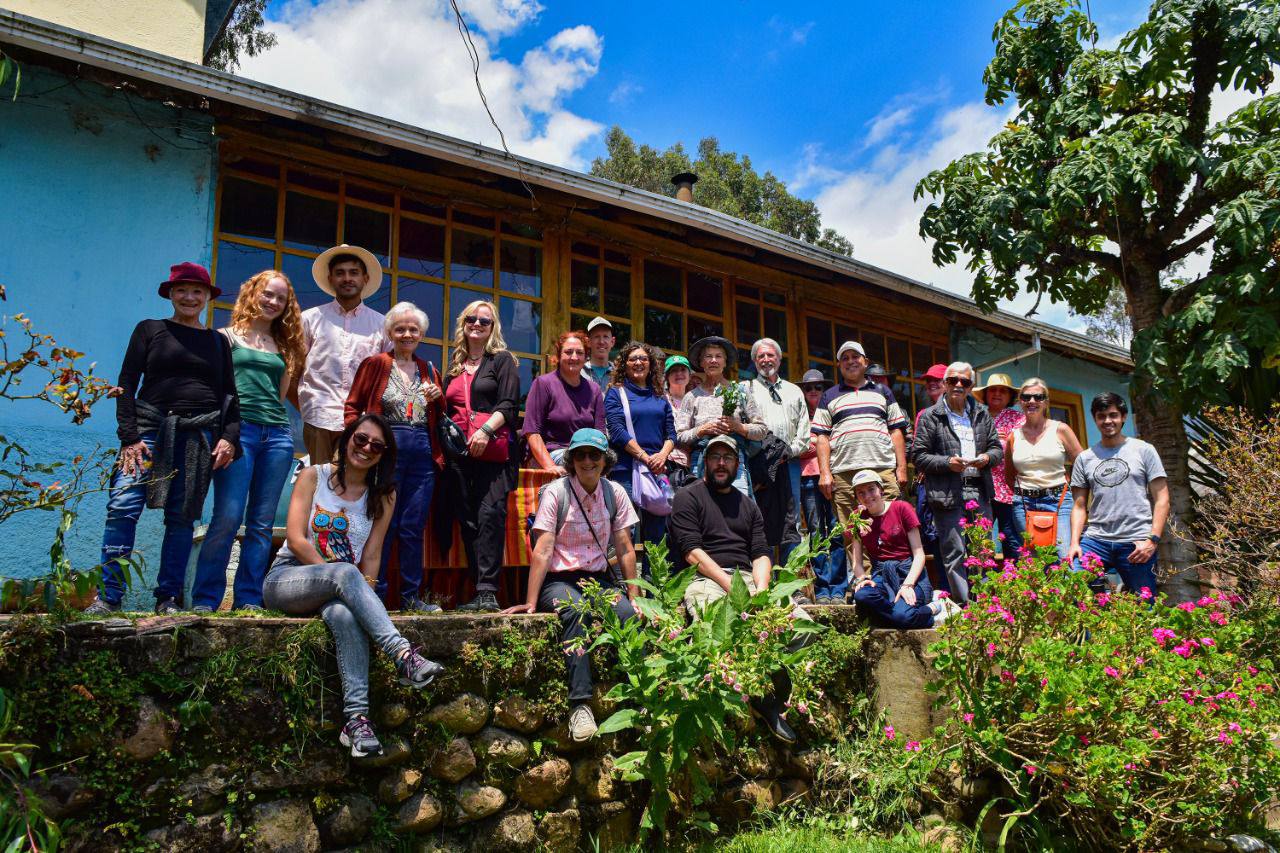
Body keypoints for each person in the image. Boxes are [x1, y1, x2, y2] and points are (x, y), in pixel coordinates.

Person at [264, 414, 445, 758]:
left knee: (345, 617)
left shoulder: (383, 496)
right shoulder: (312, 476)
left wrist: (358, 592)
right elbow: (296, 540)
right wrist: (337, 579)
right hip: (289, 578)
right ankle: (403, 655)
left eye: (376, 446)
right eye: (361, 439)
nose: (366, 449)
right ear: (347, 438)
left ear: (384, 454)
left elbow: (373, 556)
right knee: (346, 572)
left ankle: (357, 722)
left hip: (338, 591)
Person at [88, 263, 241, 616]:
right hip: (148, 432)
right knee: (123, 506)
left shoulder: (217, 342)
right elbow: (126, 383)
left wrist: (229, 438)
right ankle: (109, 596)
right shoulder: (150, 330)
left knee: (182, 518)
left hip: (197, 437)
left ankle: (167, 598)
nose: (189, 297)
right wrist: (128, 437)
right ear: (171, 294)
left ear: (207, 298)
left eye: (197, 291)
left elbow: (230, 396)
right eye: (182, 290)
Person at [668, 435, 812, 743]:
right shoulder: (688, 497)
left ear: (737, 464)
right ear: (705, 462)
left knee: (803, 626)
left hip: (748, 577)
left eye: (728, 458)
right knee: (718, 621)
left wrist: (760, 590)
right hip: (706, 578)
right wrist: (730, 586)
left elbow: (761, 553)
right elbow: (691, 552)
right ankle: (747, 701)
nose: (721, 463)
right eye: (715, 457)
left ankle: (778, 700)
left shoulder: (747, 505)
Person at [503, 429, 639, 742]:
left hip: (598, 578)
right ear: (571, 460)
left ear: (606, 459)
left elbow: (625, 548)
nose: (587, 461)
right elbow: (543, 549)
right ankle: (580, 706)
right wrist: (531, 601)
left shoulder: (614, 493)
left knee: (628, 617)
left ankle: (638, 699)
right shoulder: (556, 492)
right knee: (576, 612)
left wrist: (635, 596)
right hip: (559, 579)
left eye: (594, 455)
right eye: (580, 455)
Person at [190, 270, 304, 613]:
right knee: (227, 516)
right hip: (238, 434)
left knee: (261, 524)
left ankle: (248, 599)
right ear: (252, 294)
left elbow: (281, 394)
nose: (273, 302)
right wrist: (226, 432)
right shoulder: (224, 337)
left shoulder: (283, 346)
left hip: (277, 436)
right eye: (267, 294)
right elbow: (217, 391)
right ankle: (206, 599)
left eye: (280, 298)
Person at [344, 302, 444, 612]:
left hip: (423, 453)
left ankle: (411, 598)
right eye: (400, 328)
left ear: (422, 334)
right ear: (390, 332)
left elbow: (438, 418)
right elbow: (352, 407)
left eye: (413, 329)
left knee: (413, 527)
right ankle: (375, 594)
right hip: (387, 451)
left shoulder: (429, 370)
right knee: (382, 524)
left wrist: (438, 399)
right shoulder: (376, 363)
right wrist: (359, 445)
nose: (407, 334)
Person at [441, 300, 520, 612]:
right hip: (460, 454)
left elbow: (509, 404)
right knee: (469, 520)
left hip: (494, 453)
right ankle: (477, 591)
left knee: (490, 516)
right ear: (463, 323)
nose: (477, 324)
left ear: (493, 328)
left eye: (484, 321)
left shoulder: (502, 361)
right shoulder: (453, 367)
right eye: (471, 318)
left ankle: (489, 590)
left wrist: (485, 431)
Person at [910, 361, 1003, 604]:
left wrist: (986, 458)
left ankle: (984, 607)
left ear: (971, 386)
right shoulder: (931, 416)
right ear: (944, 384)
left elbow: (996, 449)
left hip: (979, 489)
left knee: (982, 552)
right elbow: (918, 455)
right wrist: (947, 462)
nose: (959, 385)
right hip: (947, 492)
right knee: (955, 553)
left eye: (965, 382)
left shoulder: (982, 413)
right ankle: (965, 608)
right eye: (953, 381)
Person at [813, 341, 910, 572]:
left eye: (855, 356)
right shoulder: (829, 396)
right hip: (844, 473)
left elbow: (896, 430)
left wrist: (902, 467)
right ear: (839, 365)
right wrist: (825, 473)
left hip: (882, 469)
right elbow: (822, 437)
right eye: (844, 358)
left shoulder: (883, 392)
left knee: (892, 525)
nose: (850, 361)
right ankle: (865, 580)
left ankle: (896, 577)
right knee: (852, 530)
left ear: (865, 362)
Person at [1067, 393, 1169, 596]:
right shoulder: (1085, 459)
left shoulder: (1144, 450)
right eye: (1101, 416)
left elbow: (1162, 498)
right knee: (1074, 588)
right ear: (1095, 419)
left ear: (1123, 417)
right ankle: (1092, 628)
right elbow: (1078, 506)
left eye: (1113, 415)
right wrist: (1074, 543)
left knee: (1144, 605)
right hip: (1096, 540)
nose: (1107, 421)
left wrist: (1152, 540)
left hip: (1135, 541)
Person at [296, 244, 389, 466]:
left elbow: (387, 377)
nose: (347, 278)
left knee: (351, 488)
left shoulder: (382, 325)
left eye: (353, 272)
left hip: (361, 423)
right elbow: (293, 371)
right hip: (318, 418)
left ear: (365, 278)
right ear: (330, 278)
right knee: (318, 486)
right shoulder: (310, 319)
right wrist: (306, 405)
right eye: (340, 273)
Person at [848, 471, 960, 629]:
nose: (867, 496)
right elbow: (857, 561)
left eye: (871, 489)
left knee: (899, 617)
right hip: (881, 577)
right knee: (862, 596)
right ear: (856, 497)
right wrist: (862, 578)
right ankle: (912, 613)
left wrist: (907, 585)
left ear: (881, 490)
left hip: (909, 574)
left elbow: (919, 554)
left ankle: (934, 607)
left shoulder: (901, 508)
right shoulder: (857, 518)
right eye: (861, 493)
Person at [603, 342, 675, 555]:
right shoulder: (616, 393)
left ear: (651, 364)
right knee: (625, 530)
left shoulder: (660, 397)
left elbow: (671, 434)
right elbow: (616, 431)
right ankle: (624, 586)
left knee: (658, 532)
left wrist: (662, 455)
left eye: (643, 358)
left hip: (657, 470)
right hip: (625, 469)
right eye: (632, 359)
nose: (638, 362)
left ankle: (653, 585)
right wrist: (645, 456)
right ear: (624, 365)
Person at [1004, 378, 1084, 562]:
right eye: (1026, 397)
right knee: (1034, 561)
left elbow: (1082, 464)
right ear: (1020, 401)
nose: (1032, 401)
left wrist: (1073, 489)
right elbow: (1009, 475)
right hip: (1024, 504)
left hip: (1058, 500)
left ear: (1046, 401)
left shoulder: (1060, 429)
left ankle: (1068, 592)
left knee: (1064, 557)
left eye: (1038, 397)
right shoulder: (1013, 436)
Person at [678, 335, 767, 498]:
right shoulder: (691, 396)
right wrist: (702, 430)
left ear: (725, 363)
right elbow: (680, 436)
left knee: (736, 514)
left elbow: (761, 430)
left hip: (734, 461)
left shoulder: (740, 391)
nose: (713, 360)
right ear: (701, 362)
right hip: (702, 462)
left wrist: (738, 427)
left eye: (718, 356)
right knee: (702, 512)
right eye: (708, 356)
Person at [745, 338, 808, 561]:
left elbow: (804, 429)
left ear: (779, 359)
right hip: (757, 463)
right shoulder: (746, 388)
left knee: (791, 520)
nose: (766, 359)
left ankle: (791, 583)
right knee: (760, 518)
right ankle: (765, 580)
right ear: (754, 361)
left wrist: (787, 452)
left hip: (789, 463)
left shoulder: (794, 391)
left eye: (770, 355)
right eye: (760, 356)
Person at [522, 331, 605, 474]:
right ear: (559, 356)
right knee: (579, 463)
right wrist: (550, 467)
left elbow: (600, 435)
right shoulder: (543, 384)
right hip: (554, 454)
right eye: (568, 352)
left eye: (579, 352)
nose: (574, 357)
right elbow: (532, 432)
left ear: (586, 357)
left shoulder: (594, 390)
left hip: (587, 455)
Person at [797, 369, 847, 603]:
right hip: (808, 478)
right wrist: (822, 441)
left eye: (818, 387)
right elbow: (797, 447)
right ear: (804, 392)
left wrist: (814, 442)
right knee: (816, 533)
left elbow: (839, 443)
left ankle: (838, 587)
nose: (814, 391)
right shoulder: (798, 416)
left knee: (837, 532)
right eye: (809, 388)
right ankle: (822, 587)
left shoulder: (833, 413)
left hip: (835, 477)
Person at [975, 373, 1025, 553]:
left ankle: (1013, 579)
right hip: (980, 486)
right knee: (979, 538)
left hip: (1007, 488)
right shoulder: (976, 416)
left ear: (1010, 395)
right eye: (993, 390)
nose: (997, 394)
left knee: (1010, 537)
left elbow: (1021, 446)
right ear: (986, 394)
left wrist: (1008, 438)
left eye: (1003, 391)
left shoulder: (1018, 418)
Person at [664, 355, 695, 487]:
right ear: (667, 376)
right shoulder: (660, 399)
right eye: (674, 370)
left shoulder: (696, 399)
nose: (679, 374)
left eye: (683, 369)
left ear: (689, 374)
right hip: (668, 463)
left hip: (694, 464)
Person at [584, 317, 616, 390]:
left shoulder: (620, 374)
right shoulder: (579, 372)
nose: (601, 341)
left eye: (605, 336)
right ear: (588, 342)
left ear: (612, 342)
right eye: (596, 336)